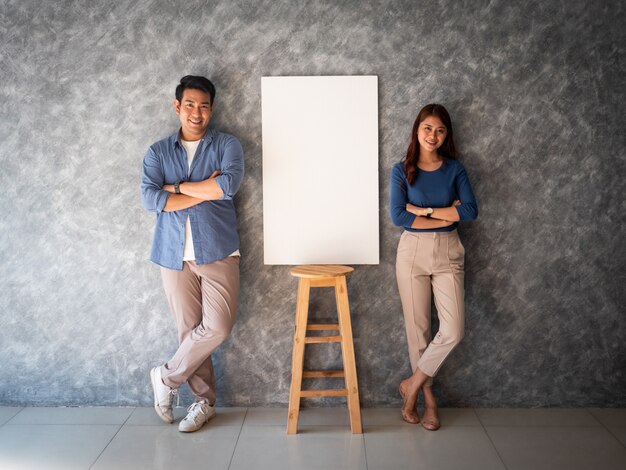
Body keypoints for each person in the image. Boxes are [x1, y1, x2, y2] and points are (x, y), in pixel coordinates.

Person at [140, 75, 244, 432]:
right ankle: (204, 403)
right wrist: (204, 190)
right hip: (172, 254)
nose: (196, 112)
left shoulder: (227, 145)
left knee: (217, 326)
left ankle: (165, 378)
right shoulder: (158, 152)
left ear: (211, 109)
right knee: (189, 332)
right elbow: (151, 199)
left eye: (203, 106)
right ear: (177, 107)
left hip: (218, 249)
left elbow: (228, 185)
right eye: (189, 105)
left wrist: (178, 188)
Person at [390, 104, 477, 430]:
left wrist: (422, 211)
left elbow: (469, 211)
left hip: (448, 252)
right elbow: (399, 217)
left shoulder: (455, 170)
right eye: (428, 128)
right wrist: (440, 213)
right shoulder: (402, 170)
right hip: (412, 252)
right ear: (417, 129)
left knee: (453, 330)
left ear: (446, 135)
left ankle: (410, 385)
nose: (433, 135)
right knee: (419, 333)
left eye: (440, 130)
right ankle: (428, 402)